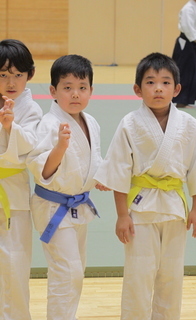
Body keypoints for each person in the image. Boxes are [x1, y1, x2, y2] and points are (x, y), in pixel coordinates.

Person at [94, 52, 196, 319]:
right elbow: (119, 171)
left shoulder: (189, 124)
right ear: (138, 89)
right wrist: (121, 215)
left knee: (171, 277)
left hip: (175, 209)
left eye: (165, 82)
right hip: (140, 210)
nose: (158, 89)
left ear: (176, 89)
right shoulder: (129, 124)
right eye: (150, 82)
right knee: (138, 277)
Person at [26, 54, 104, 320]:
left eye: (82, 88)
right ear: (53, 91)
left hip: (78, 206)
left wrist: (102, 177)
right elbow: (43, 171)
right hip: (52, 207)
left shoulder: (90, 122)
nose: (75, 94)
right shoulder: (49, 124)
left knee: (76, 271)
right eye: (67, 87)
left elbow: (94, 161)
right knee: (66, 272)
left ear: (91, 91)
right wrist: (60, 146)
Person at [0, 39, 42, 320]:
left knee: (13, 266)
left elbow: (29, 149)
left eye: (18, 74)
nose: (10, 82)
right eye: (2, 74)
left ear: (30, 75)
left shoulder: (31, 110)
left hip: (12, 198)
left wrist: (9, 126)